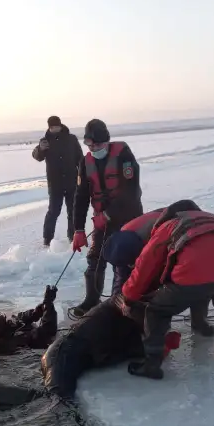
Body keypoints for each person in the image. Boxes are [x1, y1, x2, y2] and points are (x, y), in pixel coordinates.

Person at [0, 298, 181, 416]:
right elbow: (123, 303)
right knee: (57, 398)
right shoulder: (120, 303)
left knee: (59, 397)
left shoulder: (127, 330)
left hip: (72, 355)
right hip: (60, 353)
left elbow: (129, 351)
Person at [117, 201, 214, 380]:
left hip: (193, 272)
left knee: (157, 310)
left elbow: (144, 266)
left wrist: (128, 297)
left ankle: (152, 365)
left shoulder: (169, 225)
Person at [103, 203, 214, 336]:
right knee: (135, 287)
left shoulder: (158, 235)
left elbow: (151, 270)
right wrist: (120, 302)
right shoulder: (121, 242)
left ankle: (198, 321)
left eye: (132, 264)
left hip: (185, 242)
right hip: (162, 241)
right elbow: (122, 277)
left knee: (194, 278)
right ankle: (147, 324)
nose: (130, 267)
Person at [70, 119, 143, 318]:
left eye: (98, 145)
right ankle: (92, 300)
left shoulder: (124, 156)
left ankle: (121, 301)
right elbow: (81, 196)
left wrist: (109, 214)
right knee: (95, 257)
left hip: (129, 218)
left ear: (107, 142)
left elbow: (132, 192)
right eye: (89, 145)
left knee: (125, 260)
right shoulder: (86, 162)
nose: (93, 148)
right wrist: (78, 230)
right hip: (101, 219)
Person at [32, 116, 84, 245]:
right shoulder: (45, 141)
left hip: (72, 181)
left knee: (72, 211)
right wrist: (40, 149)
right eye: (52, 127)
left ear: (60, 126)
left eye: (56, 126)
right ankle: (47, 239)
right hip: (55, 184)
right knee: (53, 211)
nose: (54, 129)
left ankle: (73, 237)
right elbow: (37, 156)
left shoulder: (71, 139)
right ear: (49, 127)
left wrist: (82, 175)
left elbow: (80, 159)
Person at [0, 285, 58, 354]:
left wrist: (34, 314)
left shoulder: (8, 329)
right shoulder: (17, 340)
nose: (9, 321)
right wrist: (49, 304)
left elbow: (20, 318)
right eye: (5, 321)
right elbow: (48, 329)